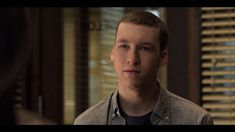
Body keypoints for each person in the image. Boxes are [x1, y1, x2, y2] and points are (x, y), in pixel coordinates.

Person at [74, 10, 213, 125]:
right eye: (124, 46)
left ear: (162, 57)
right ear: (112, 53)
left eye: (145, 48)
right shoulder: (88, 122)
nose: (132, 59)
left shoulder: (195, 120)